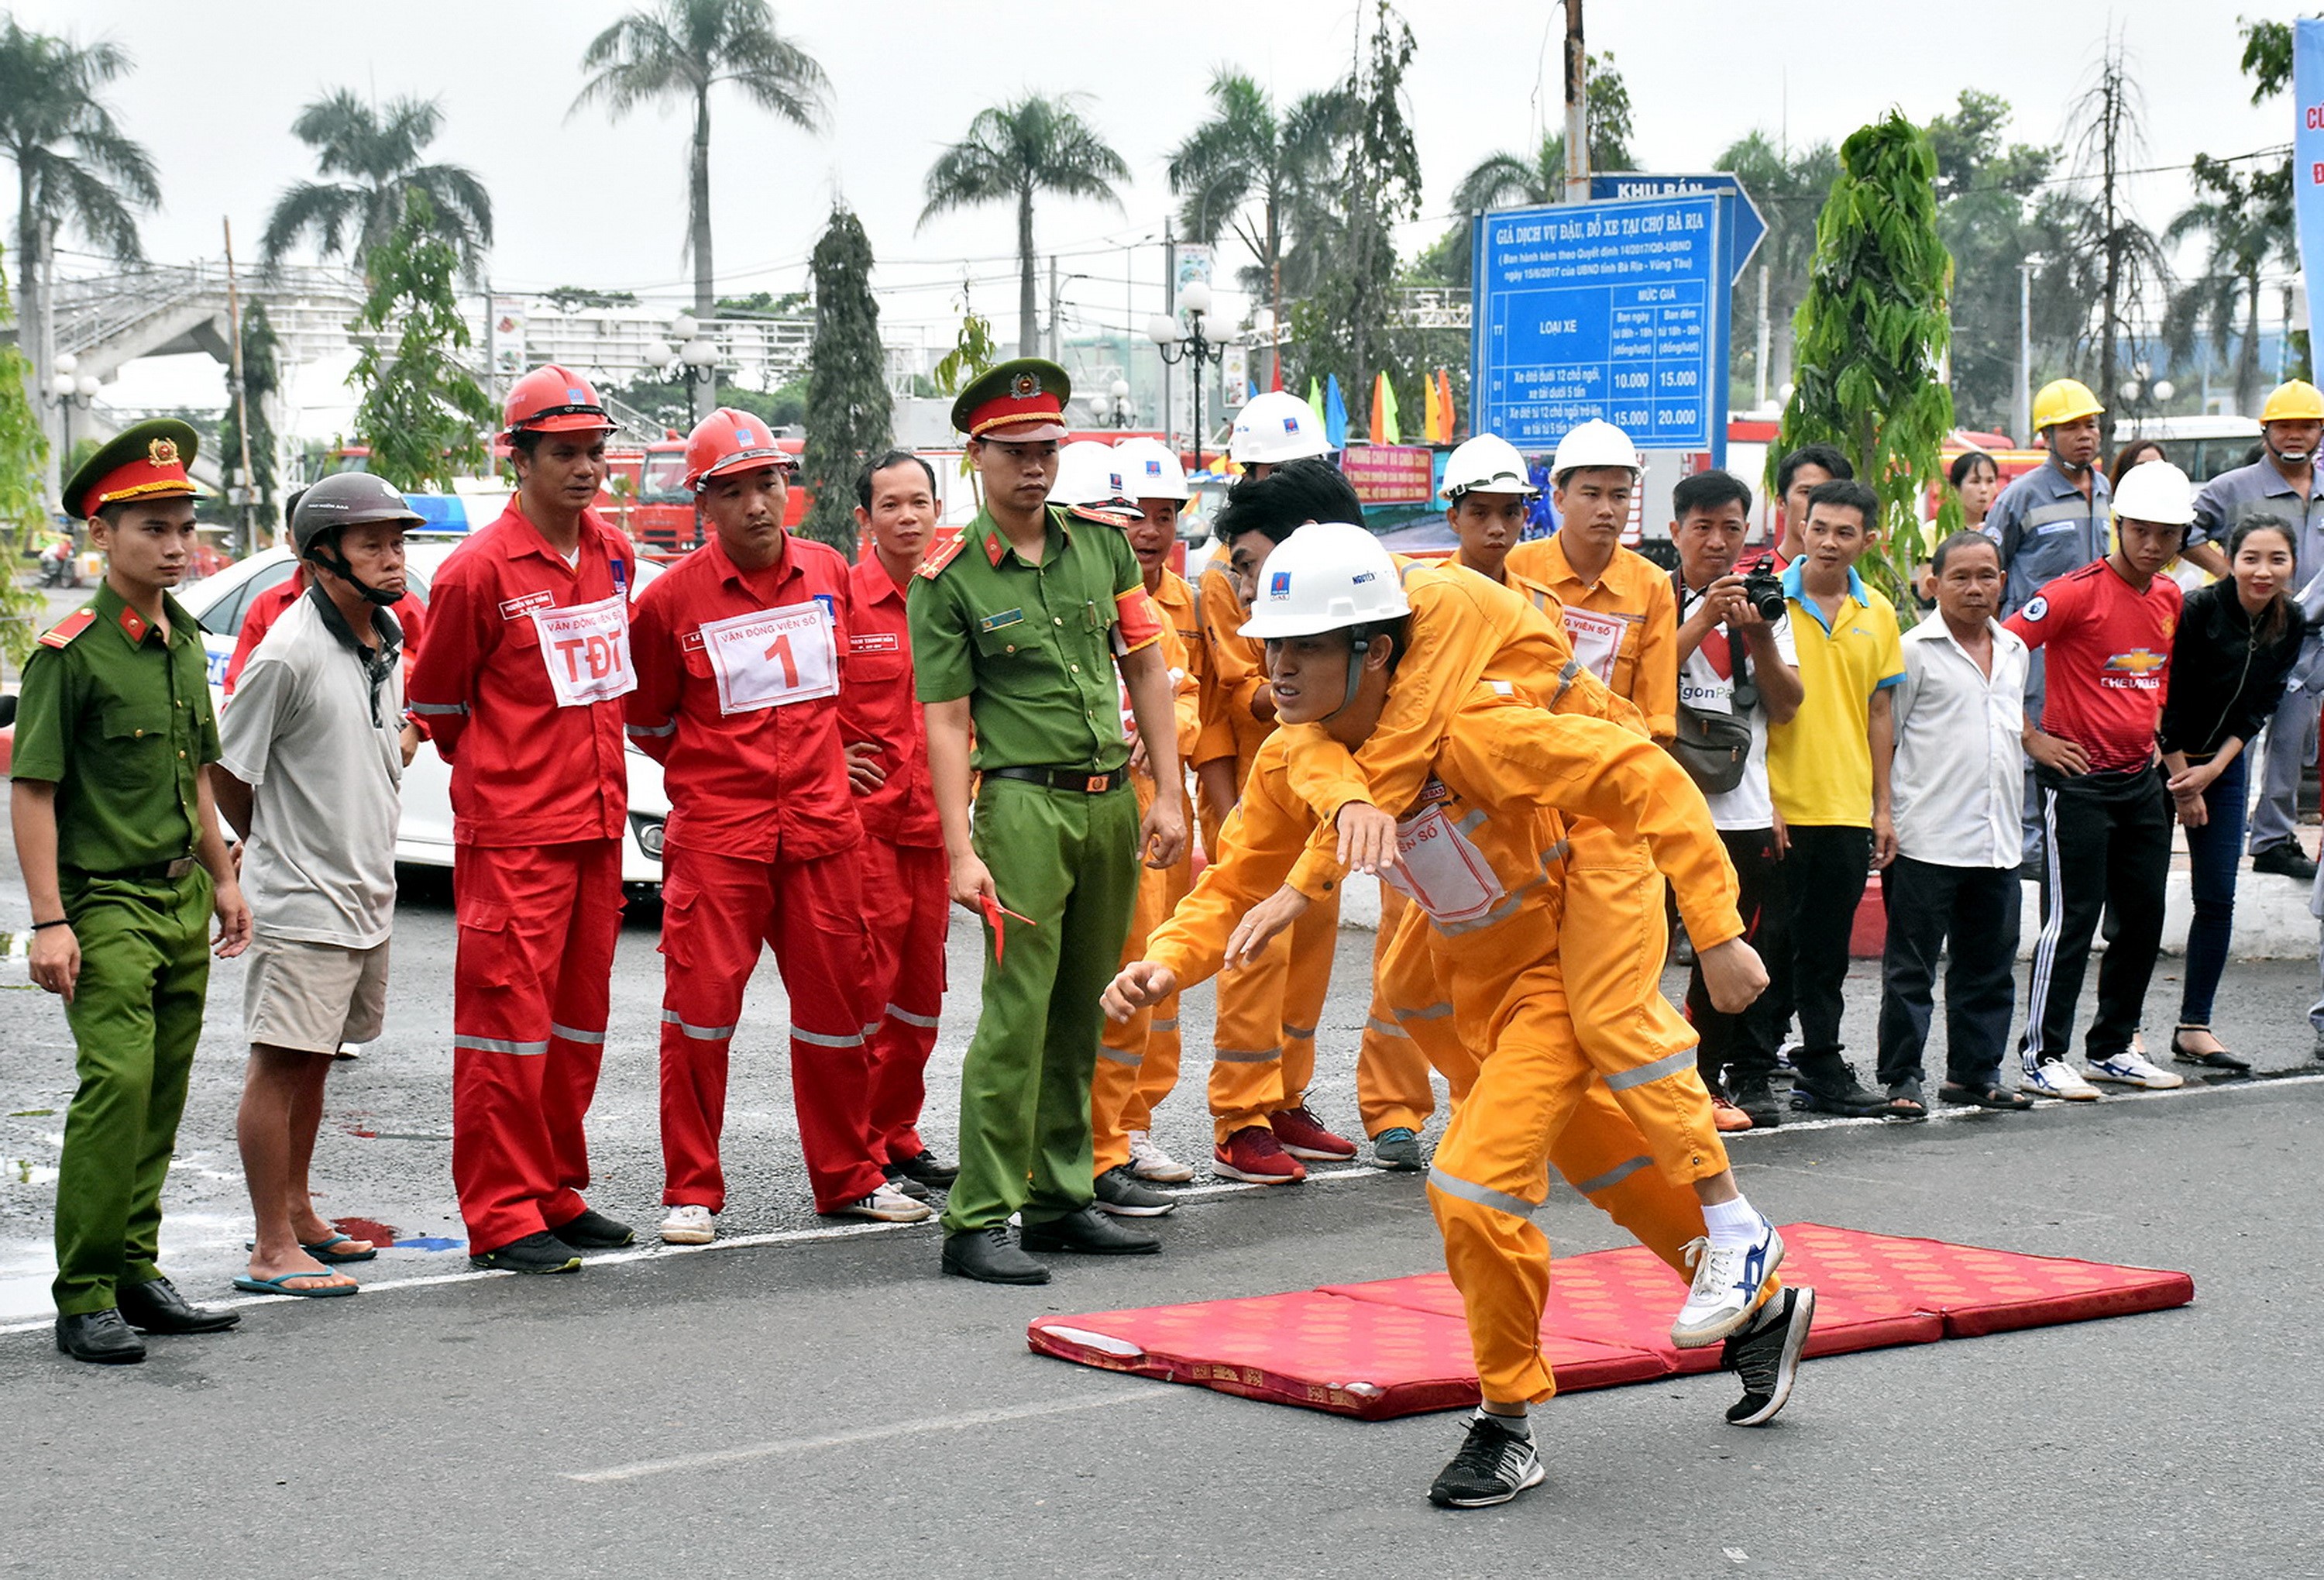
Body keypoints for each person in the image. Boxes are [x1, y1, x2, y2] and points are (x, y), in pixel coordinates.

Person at [1106, 523, 1803, 1510]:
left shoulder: (1480, 729)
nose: (1280, 667)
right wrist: (1164, 964)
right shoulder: (1291, 763)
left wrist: (1718, 926)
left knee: (1476, 1183)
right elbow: (1234, 884)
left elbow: (1643, 777)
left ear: (1378, 651)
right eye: (1273, 644)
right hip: (1466, 979)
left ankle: (1509, 1420)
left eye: (1307, 646)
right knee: (1593, 1150)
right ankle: (1762, 1303)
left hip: (1565, 958)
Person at [907, 358, 1188, 1284]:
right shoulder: (946, 578)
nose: (1035, 467)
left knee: (1084, 1007)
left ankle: (1061, 1198)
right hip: (1022, 805)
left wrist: (1172, 792)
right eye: (1015, 452)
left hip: (1110, 799)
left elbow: (1145, 667)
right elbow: (946, 721)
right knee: (1016, 1015)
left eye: (1047, 450)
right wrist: (961, 848)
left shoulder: (1101, 546)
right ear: (976, 456)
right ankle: (979, 1213)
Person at [625, 410, 928, 1243]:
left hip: (825, 835)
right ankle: (692, 1189)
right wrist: (719, 769)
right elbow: (647, 717)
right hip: (721, 837)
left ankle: (849, 1177)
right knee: (699, 1016)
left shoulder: (830, 570)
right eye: (735, 490)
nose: (758, 503)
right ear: (705, 505)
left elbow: (840, 695)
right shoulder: (668, 601)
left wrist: (831, 751)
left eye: (769, 482)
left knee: (841, 1011)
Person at [12, 419, 253, 1364]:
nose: (174, 541)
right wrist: (47, 922)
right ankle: (81, 1293)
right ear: (100, 535)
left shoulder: (182, 641)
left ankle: (134, 1270)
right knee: (116, 1082)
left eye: (182, 523)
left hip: (179, 894)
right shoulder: (69, 651)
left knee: (161, 1087)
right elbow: (33, 789)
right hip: (103, 900)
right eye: (152, 525)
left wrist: (227, 880)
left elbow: (196, 774)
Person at [404, 365, 640, 1275]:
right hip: (514, 835)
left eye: (593, 452)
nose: (584, 469)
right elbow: (441, 703)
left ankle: (553, 1189)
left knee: (577, 1024)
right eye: (565, 453)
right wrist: (512, 775)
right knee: (506, 1030)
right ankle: (501, 1214)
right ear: (522, 456)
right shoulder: (477, 570)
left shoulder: (612, 553)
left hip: (596, 825)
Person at [211, 474, 424, 1299]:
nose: (392, 556)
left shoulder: (384, 637)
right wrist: (271, 843)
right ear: (322, 556)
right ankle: (270, 1246)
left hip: (365, 887)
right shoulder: (289, 651)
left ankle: (299, 1212)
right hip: (301, 895)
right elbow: (229, 768)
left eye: (396, 541)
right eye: (372, 542)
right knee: (280, 1063)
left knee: (319, 1060)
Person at [2004, 460, 2195, 1099]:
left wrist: (2163, 758)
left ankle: (2114, 1046)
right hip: (2077, 783)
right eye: (2140, 530)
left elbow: (2157, 682)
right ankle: (2041, 1054)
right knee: (2071, 919)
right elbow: (2000, 654)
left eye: (2166, 534)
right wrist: (2033, 738)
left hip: (2139, 780)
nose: (2152, 544)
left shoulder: (2169, 597)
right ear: (2118, 526)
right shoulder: (2071, 592)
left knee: (2142, 917)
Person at [1191, 458, 1355, 1186]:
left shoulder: (1363, 592)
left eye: (1253, 566)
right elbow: (1230, 700)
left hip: (1324, 799)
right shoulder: (1232, 590)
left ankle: (1286, 1097)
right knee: (1254, 953)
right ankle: (1240, 1118)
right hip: (1268, 799)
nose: (1246, 587)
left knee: (1310, 956)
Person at [1873, 532, 2033, 1116]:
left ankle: (1975, 1072)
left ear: (2002, 582)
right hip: (1927, 837)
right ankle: (1901, 1077)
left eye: (1986, 575)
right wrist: (1883, 812)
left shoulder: (2016, 649)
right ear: (1933, 584)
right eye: (1960, 577)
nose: (1975, 588)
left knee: (1988, 966)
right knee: (1911, 969)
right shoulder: (1912, 650)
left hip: (1997, 840)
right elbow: (1887, 733)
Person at [1084, 435, 1206, 1198]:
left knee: (1156, 969)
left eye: (1164, 515)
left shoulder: (1182, 601)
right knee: (1097, 973)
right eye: (1137, 515)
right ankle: (1095, 1137)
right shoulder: (1088, 590)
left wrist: (1167, 737)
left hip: (1162, 799)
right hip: (1099, 795)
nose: (1151, 530)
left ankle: (1133, 1125)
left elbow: (1192, 697)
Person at [1764, 478, 1904, 1116]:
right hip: (1777, 806)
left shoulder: (1877, 612)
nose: (1828, 542)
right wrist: (1762, 799)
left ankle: (1820, 1065)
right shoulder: (1767, 601)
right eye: (1819, 527)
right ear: (1801, 526)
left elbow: (1880, 712)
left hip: (1846, 808)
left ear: (1868, 541)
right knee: (1768, 945)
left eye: (1845, 532)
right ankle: (1747, 1064)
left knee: (1825, 954)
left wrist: (1881, 807)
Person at [1669, 469, 1803, 1130]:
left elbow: (1785, 709)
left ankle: (1703, 1083)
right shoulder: (1653, 597)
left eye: (1731, 528)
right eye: (1703, 527)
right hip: (1659, 809)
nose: (1719, 542)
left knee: (1725, 956)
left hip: (1742, 811)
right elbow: (1639, 679)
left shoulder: (1767, 604)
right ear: (1676, 533)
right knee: (1630, 952)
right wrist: (1702, 617)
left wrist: (1756, 635)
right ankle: (1631, 1085)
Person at [843, 449, 960, 1200]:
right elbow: (802, 693)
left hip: (937, 832)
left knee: (922, 999)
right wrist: (828, 755)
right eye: (891, 505)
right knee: (866, 998)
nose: (908, 517)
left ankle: (898, 1133)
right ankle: (857, 1147)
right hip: (868, 834)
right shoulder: (842, 600)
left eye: (920, 502)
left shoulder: (953, 597)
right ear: (865, 518)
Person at [2157, 515, 2305, 1072]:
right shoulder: (2198, 610)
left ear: (2292, 565)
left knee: (2217, 898)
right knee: (2140, 899)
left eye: (2277, 560)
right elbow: (2163, 695)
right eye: (2251, 558)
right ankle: (2123, 1034)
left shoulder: (2291, 623)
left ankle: (2195, 1026)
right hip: (2161, 762)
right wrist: (2180, 779)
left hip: (2221, 767)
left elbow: (2257, 707)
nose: (2263, 571)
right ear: (2231, 559)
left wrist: (2214, 771)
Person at [2186, 380, 2324, 880]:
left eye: (2306, 425)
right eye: (2284, 425)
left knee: (2292, 738)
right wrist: (2234, 577)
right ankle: (2207, 821)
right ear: (2265, 430)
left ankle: (2272, 838)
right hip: (2244, 636)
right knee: (2228, 731)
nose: (2295, 435)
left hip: (2310, 640)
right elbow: (2186, 531)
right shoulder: (2233, 487)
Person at [1992, 379, 2114, 868]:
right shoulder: (2020, 497)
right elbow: (1991, 566)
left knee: (2081, 735)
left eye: (2091, 424)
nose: (2085, 435)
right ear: (2046, 435)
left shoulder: (2105, 490)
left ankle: (2067, 839)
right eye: (2071, 427)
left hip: (2091, 645)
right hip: (2035, 645)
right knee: (2031, 736)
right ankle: (2029, 847)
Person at [1765, 443, 1853, 567]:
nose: (1818, 503)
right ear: (1781, 503)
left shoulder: (1857, 585)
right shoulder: (1742, 580)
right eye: (1807, 492)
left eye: (1830, 493)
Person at [1952, 449, 2003, 539]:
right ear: (1956, 488)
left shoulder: (2001, 527)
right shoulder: (1934, 531)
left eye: (1990, 481)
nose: (1984, 489)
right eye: (1975, 482)